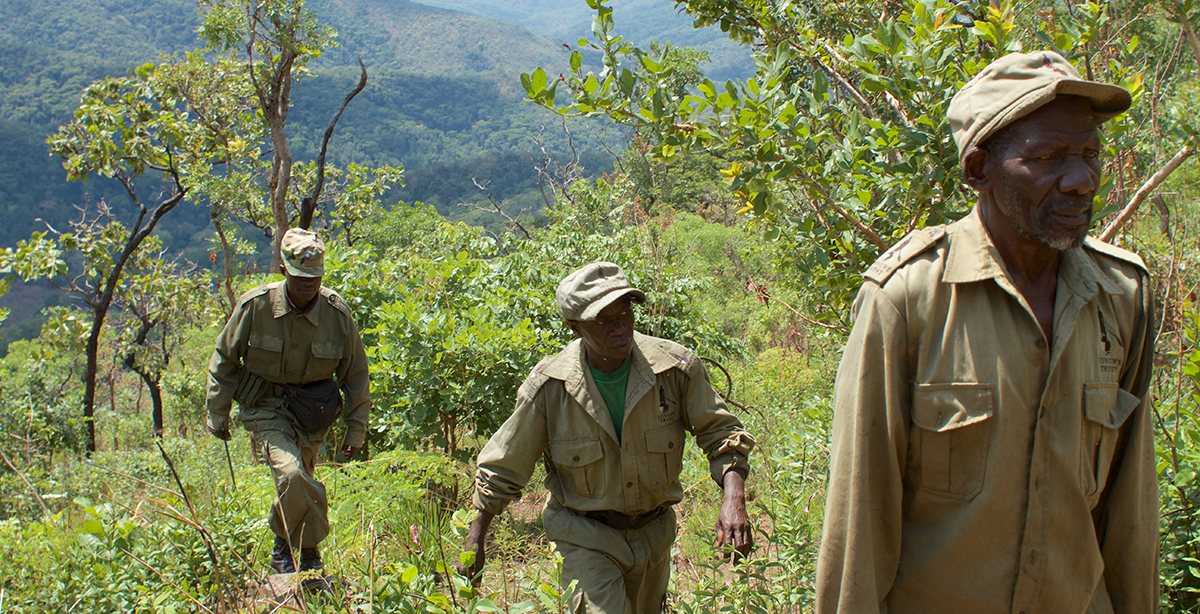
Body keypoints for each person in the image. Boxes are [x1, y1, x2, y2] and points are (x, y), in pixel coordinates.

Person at [815, 50, 1159, 613]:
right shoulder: (908, 299)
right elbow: (860, 519)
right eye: (1047, 157)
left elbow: (1131, 515)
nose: (1080, 180)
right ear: (979, 170)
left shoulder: (1121, 296)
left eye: (1090, 155)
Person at [459, 262, 756, 613]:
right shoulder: (549, 388)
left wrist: (733, 497)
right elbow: (504, 465)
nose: (619, 327)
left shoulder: (675, 369)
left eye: (625, 311)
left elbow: (720, 432)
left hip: (655, 534)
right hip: (584, 536)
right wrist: (475, 540)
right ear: (574, 326)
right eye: (602, 319)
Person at [206, 228, 371, 582]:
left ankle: (284, 544)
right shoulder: (256, 306)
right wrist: (217, 412)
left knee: (300, 478)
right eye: (300, 277)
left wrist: (356, 431)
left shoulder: (336, 314)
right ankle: (308, 550)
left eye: (316, 276)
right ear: (283, 269)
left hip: (313, 411)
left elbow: (355, 375)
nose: (309, 284)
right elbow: (224, 358)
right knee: (292, 473)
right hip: (265, 405)